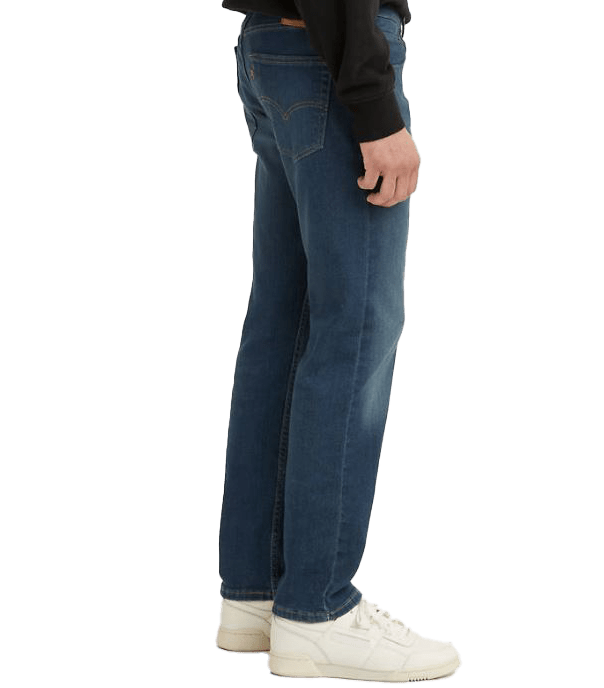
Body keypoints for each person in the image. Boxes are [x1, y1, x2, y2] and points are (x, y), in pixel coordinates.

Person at [215, 2, 462, 681]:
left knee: (282, 325)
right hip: (331, 53)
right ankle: (317, 609)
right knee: (352, 329)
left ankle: (257, 594)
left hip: (277, 42)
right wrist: (374, 106)